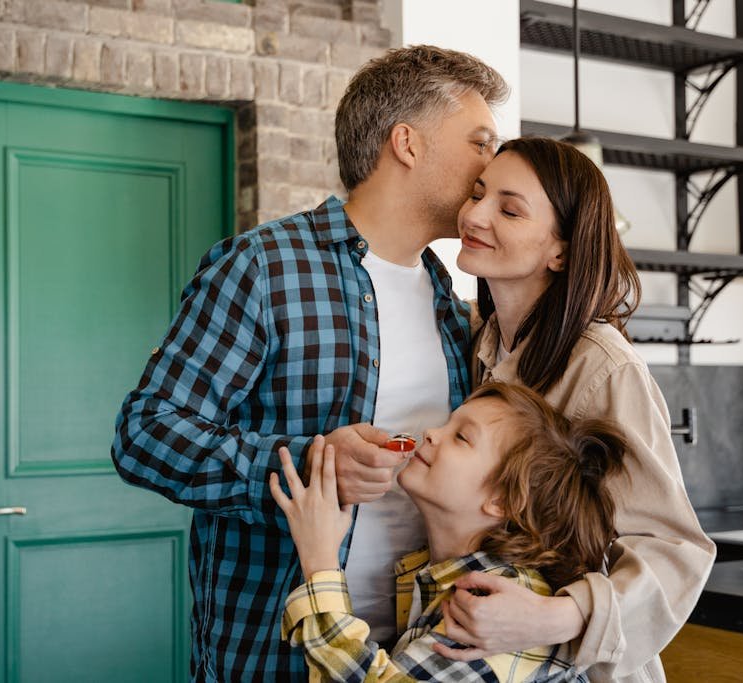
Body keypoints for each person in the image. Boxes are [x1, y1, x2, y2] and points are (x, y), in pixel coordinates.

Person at [110, 45, 509, 682]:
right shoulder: (262, 268)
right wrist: (310, 464)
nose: (493, 167)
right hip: (274, 655)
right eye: (481, 143)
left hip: (411, 653)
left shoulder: (456, 306)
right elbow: (146, 434)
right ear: (407, 143)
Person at [435, 136, 716, 681]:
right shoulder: (480, 340)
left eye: (509, 209)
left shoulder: (603, 366)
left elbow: (675, 548)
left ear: (560, 251)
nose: (475, 215)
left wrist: (552, 617)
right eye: (478, 193)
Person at [273, 381, 629, 683]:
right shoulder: (441, 580)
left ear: (504, 501)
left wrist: (319, 562)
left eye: (461, 438)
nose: (430, 433)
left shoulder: (496, 605)